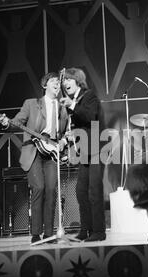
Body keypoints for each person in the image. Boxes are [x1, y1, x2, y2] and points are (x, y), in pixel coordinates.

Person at [0, 72, 68, 243]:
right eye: (53, 81)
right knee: (39, 188)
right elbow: (17, 121)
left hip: (52, 153)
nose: (57, 84)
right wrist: (6, 122)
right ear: (45, 85)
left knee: (51, 190)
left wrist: (64, 141)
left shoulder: (62, 107)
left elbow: (67, 130)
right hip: (34, 152)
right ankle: (36, 233)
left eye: (58, 82)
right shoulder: (32, 104)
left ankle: (49, 233)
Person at [60, 67, 106, 242]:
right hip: (85, 151)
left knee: (94, 191)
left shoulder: (89, 95)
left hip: (96, 149)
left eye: (69, 80)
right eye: (64, 81)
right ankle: (85, 230)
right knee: (81, 191)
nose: (65, 83)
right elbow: (81, 124)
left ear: (78, 81)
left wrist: (72, 105)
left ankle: (99, 232)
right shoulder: (75, 100)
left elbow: (90, 116)